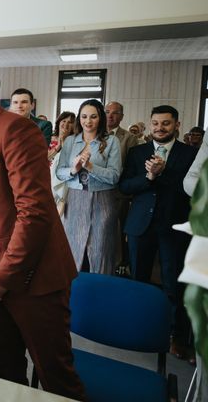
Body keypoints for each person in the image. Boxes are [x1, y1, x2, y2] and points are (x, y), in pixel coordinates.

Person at [0, 58, 85, 400]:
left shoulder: (15, 128)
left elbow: (35, 212)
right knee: (5, 374)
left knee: (55, 379)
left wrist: (2, 279)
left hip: (33, 279)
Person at [119, 105, 198, 362]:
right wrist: (149, 177)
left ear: (176, 124)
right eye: (155, 123)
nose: (159, 128)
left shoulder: (190, 154)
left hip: (173, 226)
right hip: (141, 225)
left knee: (173, 283)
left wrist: (163, 174)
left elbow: (192, 190)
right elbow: (125, 185)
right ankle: (138, 327)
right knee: (138, 280)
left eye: (165, 123)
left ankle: (176, 336)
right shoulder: (137, 152)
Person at [56, 99, 122, 274]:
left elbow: (115, 176)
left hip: (103, 200)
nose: (88, 121)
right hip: (75, 199)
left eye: (93, 116)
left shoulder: (111, 141)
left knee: (101, 250)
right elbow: (59, 172)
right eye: (84, 116)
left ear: (100, 118)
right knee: (74, 248)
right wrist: (73, 169)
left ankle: (101, 292)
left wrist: (91, 167)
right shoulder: (70, 141)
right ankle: (73, 291)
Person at [105, 101, 140, 275]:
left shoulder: (129, 138)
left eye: (115, 113)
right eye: (107, 111)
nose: (110, 115)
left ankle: (119, 263)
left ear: (122, 116)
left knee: (117, 230)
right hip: (95, 191)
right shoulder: (94, 134)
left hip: (118, 192)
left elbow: (131, 167)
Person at [48, 111, 76, 216]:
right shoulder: (49, 138)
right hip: (47, 177)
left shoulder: (75, 141)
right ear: (59, 122)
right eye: (64, 121)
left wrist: (65, 143)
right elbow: (44, 158)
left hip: (63, 181)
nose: (66, 124)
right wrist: (58, 146)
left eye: (70, 122)